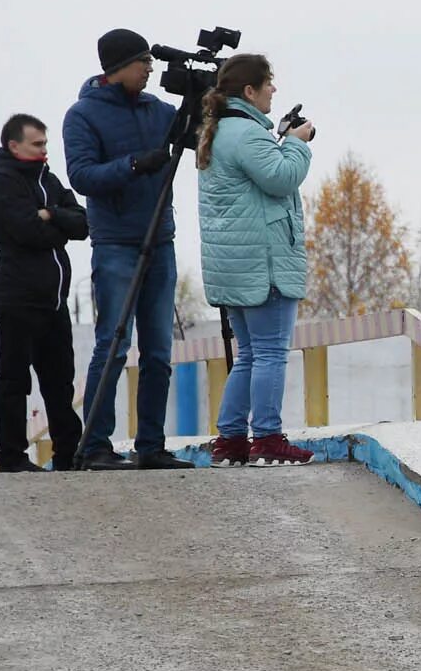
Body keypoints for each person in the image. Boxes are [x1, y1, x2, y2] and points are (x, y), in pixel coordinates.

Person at [62, 28, 190, 469]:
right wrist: (134, 165)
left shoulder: (160, 111)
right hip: (116, 242)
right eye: (143, 63)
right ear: (118, 68)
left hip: (161, 241)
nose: (151, 70)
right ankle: (97, 444)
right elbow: (81, 176)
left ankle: (150, 446)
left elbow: (200, 132)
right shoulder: (82, 115)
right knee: (113, 345)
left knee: (159, 350)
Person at [196, 54, 317, 467]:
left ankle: (230, 441)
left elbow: (261, 176)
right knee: (269, 354)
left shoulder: (220, 132)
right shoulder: (248, 135)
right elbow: (282, 177)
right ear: (249, 91)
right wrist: (298, 142)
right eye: (268, 83)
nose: (274, 90)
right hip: (262, 265)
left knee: (249, 355)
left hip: (235, 265)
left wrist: (282, 141)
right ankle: (267, 438)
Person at [0, 114, 88, 472]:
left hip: (54, 302)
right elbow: (28, 232)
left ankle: (68, 455)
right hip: (18, 299)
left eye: (45, 143)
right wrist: (53, 223)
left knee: (59, 382)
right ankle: (13, 458)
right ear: (15, 146)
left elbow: (81, 222)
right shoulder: (3, 184)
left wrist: (51, 213)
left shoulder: (49, 180)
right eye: (37, 144)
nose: (45, 150)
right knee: (15, 378)